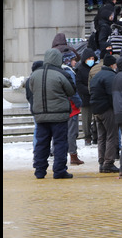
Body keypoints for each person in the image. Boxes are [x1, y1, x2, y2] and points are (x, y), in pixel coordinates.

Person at [27, 48, 78, 179]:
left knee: (41, 143)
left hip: (40, 114)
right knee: (60, 143)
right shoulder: (61, 74)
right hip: (59, 115)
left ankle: (39, 170)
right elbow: (71, 91)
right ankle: (59, 170)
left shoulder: (35, 74)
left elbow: (31, 90)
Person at [89, 54, 120, 174]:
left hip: (96, 109)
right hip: (107, 109)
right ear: (112, 65)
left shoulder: (97, 76)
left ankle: (102, 162)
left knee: (101, 136)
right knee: (112, 136)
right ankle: (109, 163)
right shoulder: (111, 76)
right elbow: (112, 94)